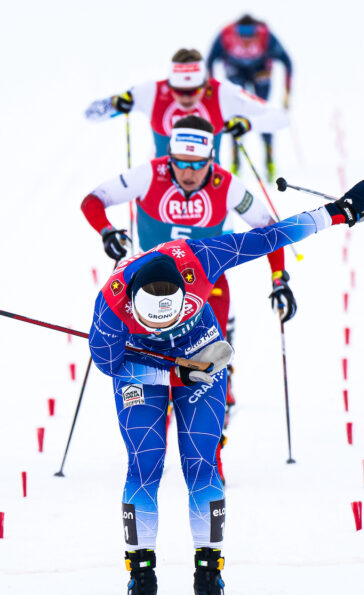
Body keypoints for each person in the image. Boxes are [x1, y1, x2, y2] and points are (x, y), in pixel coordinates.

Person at [88, 173, 364, 595]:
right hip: (141, 366)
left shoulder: (200, 259)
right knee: (144, 466)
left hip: (201, 353)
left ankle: (209, 574)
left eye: (171, 317)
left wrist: (337, 212)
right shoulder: (110, 306)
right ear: (131, 304)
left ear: (187, 291)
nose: (163, 329)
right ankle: (141, 578)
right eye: (152, 323)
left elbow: (268, 236)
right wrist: (170, 373)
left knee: (201, 466)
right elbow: (110, 365)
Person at [80, 116, 295, 480]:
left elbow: (269, 230)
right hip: (146, 296)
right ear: (169, 157)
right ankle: (152, 448)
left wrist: (279, 278)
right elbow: (92, 201)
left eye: (198, 165)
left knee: (207, 371)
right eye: (181, 163)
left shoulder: (227, 184)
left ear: (211, 159)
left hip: (206, 291)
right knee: (149, 366)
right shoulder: (149, 174)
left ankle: (210, 455)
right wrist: (106, 231)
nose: (189, 172)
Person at [84, 48, 288, 163]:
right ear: (170, 83)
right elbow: (90, 114)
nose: (186, 98)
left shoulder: (222, 92)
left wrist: (248, 123)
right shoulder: (151, 91)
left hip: (211, 188)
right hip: (160, 184)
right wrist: (114, 104)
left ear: (205, 83)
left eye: (193, 90)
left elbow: (281, 117)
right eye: (179, 90)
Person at [207, 14, 293, 179]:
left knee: (263, 111)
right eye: (242, 34)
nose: (246, 40)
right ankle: (236, 160)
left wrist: (287, 92)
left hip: (260, 70)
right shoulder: (225, 35)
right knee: (235, 115)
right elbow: (210, 60)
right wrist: (210, 89)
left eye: (250, 35)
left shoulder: (266, 36)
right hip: (235, 71)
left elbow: (287, 62)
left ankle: (269, 158)